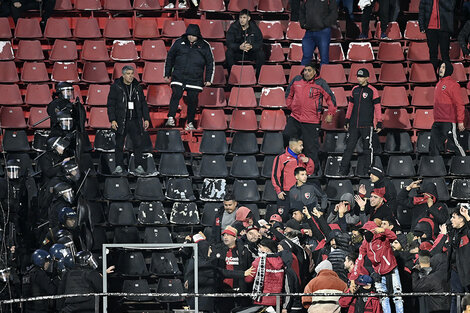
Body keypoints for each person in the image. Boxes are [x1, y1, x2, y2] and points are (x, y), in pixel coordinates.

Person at [284, 62, 336, 172]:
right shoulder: (296, 80)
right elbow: (289, 93)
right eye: (305, 70)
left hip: (311, 121)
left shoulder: (321, 83)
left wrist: (330, 113)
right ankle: (292, 167)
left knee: (311, 148)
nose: (306, 73)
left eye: (309, 70)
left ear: (315, 72)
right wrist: (291, 106)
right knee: (287, 136)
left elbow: (330, 99)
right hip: (295, 117)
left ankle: (312, 172)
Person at [164, 24, 214, 130]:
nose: (190, 37)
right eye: (189, 35)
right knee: (176, 94)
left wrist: (208, 79)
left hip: (195, 78)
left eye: (193, 35)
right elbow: (170, 57)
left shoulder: (205, 45)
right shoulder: (179, 42)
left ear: (198, 36)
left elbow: (210, 63)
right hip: (178, 76)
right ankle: (171, 117)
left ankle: (190, 122)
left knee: (192, 100)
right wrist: (167, 73)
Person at [352, 221, 404, 313]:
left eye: (367, 231)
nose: (365, 234)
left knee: (397, 296)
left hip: (391, 269)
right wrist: (353, 278)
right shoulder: (365, 244)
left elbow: (394, 236)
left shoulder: (382, 237)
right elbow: (359, 260)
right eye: (363, 232)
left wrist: (384, 230)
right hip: (378, 272)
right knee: (383, 297)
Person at [107, 65, 150, 175]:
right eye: (128, 74)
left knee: (138, 144)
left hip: (135, 120)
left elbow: (143, 104)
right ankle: (119, 166)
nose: (131, 76)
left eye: (132, 74)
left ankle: (139, 166)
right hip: (121, 120)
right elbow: (111, 104)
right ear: (123, 75)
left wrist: (146, 118)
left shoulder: (137, 86)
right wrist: (112, 120)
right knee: (119, 144)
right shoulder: (116, 86)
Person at [339, 68, 382, 176]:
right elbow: (350, 106)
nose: (359, 78)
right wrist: (347, 119)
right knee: (348, 148)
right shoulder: (354, 90)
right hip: (354, 125)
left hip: (367, 125)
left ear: (367, 78)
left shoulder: (372, 90)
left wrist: (379, 122)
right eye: (358, 76)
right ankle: (343, 170)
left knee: (368, 148)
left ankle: (369, 171)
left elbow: (377, 107)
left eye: (362, 77)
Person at [211, 225, 254, 312]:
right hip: (222, 290)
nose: (225, 237)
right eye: (224, 235)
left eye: (229, 235)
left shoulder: (243, 251)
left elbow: (249, 269)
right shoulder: (218, 250)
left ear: (235, 238)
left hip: (239, 290)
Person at [429, 61, 466, 156]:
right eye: (440, 67)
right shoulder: (438, 84)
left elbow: (459, 104)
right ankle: (435, 168)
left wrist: (460, 120)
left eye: (444, 67)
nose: (441, 69)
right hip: (437, 121)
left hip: (448, 121)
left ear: (448, 70)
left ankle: (465, 164)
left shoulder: (453, 84)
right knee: (433, 147)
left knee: (455, 145)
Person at [272, 138, 315, 219]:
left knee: (300, 218)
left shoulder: (302, 157)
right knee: (283, 217)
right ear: (293, 146)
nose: (302, 147)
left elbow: (309, 172)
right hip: (286, 193)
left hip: (300, 193)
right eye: (300, 145)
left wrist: (309, 161)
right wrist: (278, 190)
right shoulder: (281, 158)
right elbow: (275, 175)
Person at [444, 206, 470, 313]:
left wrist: (467, 215)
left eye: (454, 217)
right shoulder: (453, 231)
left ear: (461, 219)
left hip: (467, 271)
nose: (451, 219)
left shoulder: (467, 231)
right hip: (455, 270)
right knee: (455, 297)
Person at [245, 238, 284, 308]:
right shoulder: (280, 261)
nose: (258, 249)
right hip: (277, 300)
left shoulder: (258, 261)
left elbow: (249, 279)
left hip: (261, 300)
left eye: (260, 247)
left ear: (266, 249)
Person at [225, 9, 265, 78]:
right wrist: (239, 47)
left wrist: (251, 46)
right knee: (229, 53)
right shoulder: (233, 27)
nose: (242, 20)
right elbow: (229, 43)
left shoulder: (254, 28)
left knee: (261, 54)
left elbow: (259, 43)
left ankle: (258, 77)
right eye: (240, 18)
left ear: (249, 18)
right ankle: (232, 77)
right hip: (238, 52)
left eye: (244, 18)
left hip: (250, 52)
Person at [418, 0, 456, 70]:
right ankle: (434, 76)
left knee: (445, 54)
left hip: (444, 28)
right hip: (430, 28)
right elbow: (421, 10)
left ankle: (446, 78)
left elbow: (451, 7)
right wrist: (421, 26)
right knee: (433, 54)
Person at [299, 0, 338, 65]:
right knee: (306, 57)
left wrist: (324, 24)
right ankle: (302, 74)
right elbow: (301, 11)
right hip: (309, 32)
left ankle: (324, 75)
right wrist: (303, 24)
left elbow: (334, 13)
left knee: (324, 58)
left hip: (323, 32)